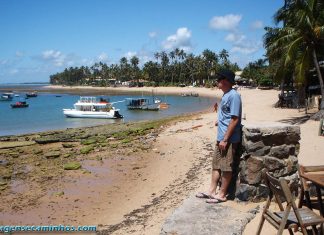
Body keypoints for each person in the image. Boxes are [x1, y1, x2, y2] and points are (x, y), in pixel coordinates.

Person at [196, 69, 242, 203]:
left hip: (228, 139)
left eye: (219, 79)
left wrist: (226, 138)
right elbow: (227, 115)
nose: (217, 82)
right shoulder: (226, 95)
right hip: (221, 138)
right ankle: (211, 191)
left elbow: (234, 119)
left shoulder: (234, 96)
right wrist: (219, 121)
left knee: (226, 167)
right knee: (216, 165)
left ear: (225, 81)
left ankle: (222, 194)